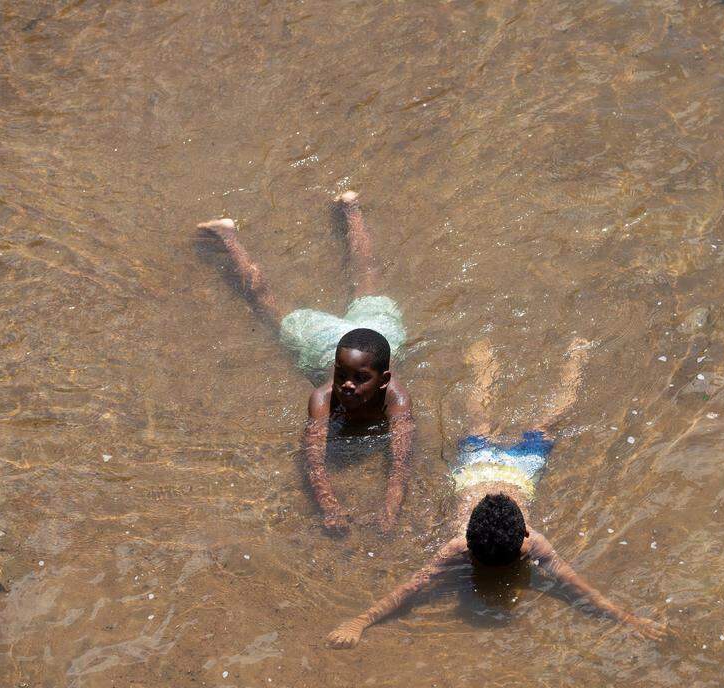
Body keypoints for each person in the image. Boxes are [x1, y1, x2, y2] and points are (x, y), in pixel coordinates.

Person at [326, 338, 666, 647]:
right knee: (527, 423)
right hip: (502, 469)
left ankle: (532, 360)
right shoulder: (528, 543)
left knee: (494, 422)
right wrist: (360, 621)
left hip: (496, 468)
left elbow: (412, 588)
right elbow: (575, 585)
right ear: (522, 538)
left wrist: (628, 619)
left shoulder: (472, 545)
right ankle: (562, 360)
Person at [196, 192, 412, 534]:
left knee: (364, 278)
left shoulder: (397, 398)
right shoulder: (324, 397)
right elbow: (314, 463)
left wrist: (390, 507)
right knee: (266, 304)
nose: (347, 385)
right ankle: (228, 236)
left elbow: (400, 465)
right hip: (325, 341)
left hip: (375, 333)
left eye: (359, 379)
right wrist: (329, 506)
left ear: (384, 379)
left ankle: (351, 209)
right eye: (343, 376)